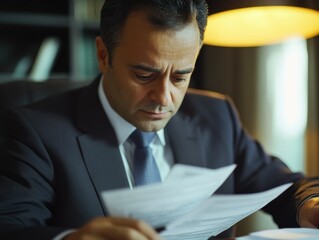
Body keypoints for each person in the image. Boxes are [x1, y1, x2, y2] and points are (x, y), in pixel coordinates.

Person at [0, 0, 319, 239]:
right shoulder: (36, 132)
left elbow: (283, 184)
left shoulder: (216, 116)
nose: (164, 98)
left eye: (181, 77)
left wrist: (309, 204)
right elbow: (12, 227)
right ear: (102, 55)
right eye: (144, 74)